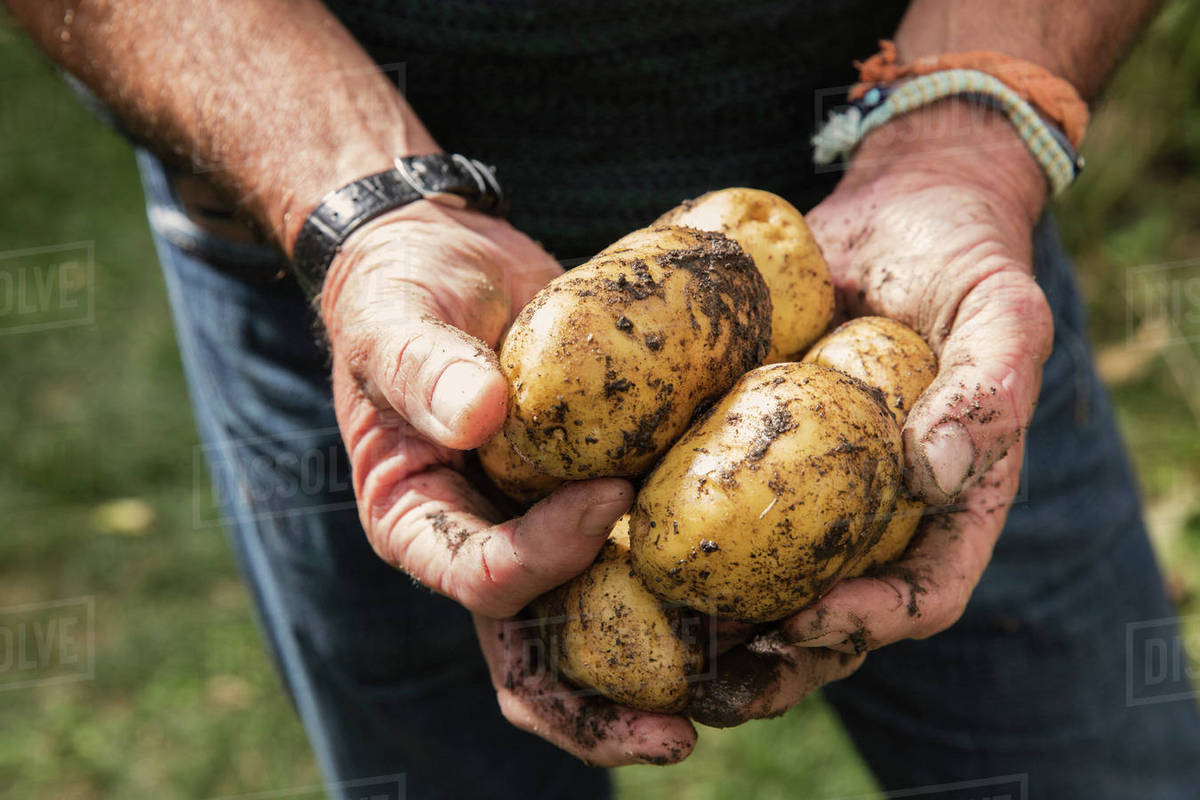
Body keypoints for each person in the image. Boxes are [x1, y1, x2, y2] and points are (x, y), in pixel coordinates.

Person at [7, 0, 1200, 797]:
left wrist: (966, 134)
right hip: (340, 261)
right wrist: (356, 208)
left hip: (905, 282)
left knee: (1104, 764)